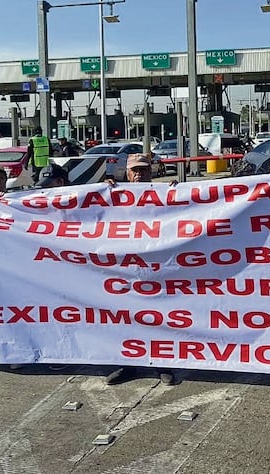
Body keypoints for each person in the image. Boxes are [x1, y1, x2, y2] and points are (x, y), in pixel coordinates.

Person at [104, 153, 176, 386]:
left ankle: (162, 363)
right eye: (135, 170)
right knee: (126, 317)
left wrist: (181, 193)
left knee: (158, 315)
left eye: (143, 169)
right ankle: (129, 364)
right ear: (127, 173)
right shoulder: (114, 195)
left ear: (151, 172)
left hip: (157, 267)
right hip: (125, 269)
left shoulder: (166, 194)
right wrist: (102, 191)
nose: (139, 174)